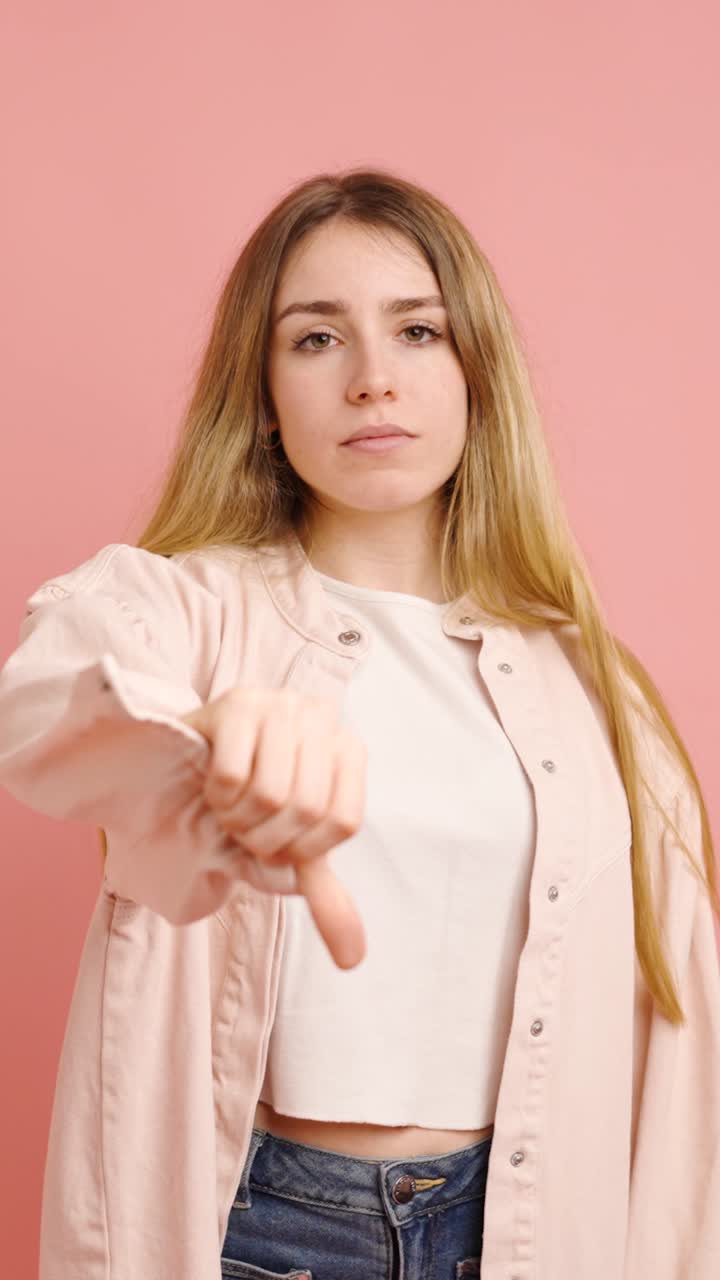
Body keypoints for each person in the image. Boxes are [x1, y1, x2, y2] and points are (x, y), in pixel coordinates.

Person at [0, 167, 718, 1280]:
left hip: (522, 1231)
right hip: (261, 1233)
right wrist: (210, 732)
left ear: (477, 372)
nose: (375, 379)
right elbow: (49, 693)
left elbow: (685, 1076)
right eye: (318, 339)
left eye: (418, 330)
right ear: (265, 390)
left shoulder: (597, 692)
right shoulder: (181, 611)